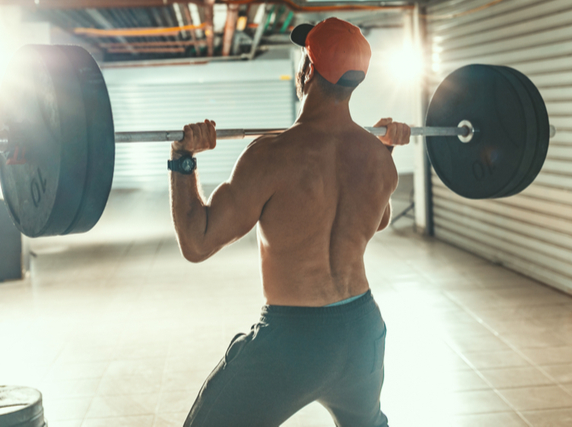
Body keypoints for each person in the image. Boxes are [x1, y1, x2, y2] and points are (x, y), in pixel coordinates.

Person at [168, 17, 411, 427]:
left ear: (308, 71)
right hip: (362, 333)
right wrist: (385, 148)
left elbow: (197, 242)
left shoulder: (270, 155)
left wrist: (182, 158)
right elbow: (380, 218)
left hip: (293, 341)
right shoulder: (379, 160)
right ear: (355, 82)